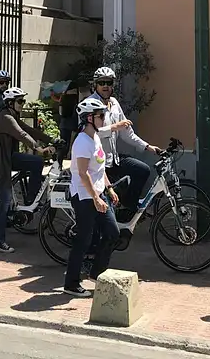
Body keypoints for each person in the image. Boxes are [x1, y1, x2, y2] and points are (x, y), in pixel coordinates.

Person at [0, 86, 54, 254]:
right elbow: (22, 135)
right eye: (20, 101)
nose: (22, 104)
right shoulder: (6, 118)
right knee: (5, 198)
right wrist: (39, 148)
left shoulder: (12, 115)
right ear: (10, 103)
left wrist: (51, 139)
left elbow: (29, 130)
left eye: (23, 101)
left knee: (36, 163)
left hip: (8, 156)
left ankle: (29, 203)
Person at [86, 66, 161, 223]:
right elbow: (90, 132)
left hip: (114, 159)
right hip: (98, 162)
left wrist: (148, 147)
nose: (106, 86)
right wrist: (114, 127)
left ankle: (128, 208)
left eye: (109, 82)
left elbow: (128, 133)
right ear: (95, 85)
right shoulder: (90, 104)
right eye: (102, 83)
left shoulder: (113, 103)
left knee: (142, 170)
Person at [63, 97, 121, 298]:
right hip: (85, 196)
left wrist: (109, 188)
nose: (104, 119)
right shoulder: (82, 142)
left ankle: (96, 273)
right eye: (100, 116)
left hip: (98, 193)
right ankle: (71, 283)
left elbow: (99, 168)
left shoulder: (95, 138)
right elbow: (83, 173)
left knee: (113, 233)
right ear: (89, 118)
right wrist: (96, 198)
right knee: (84, 240)